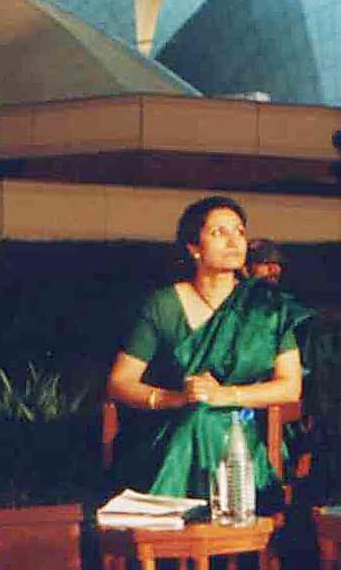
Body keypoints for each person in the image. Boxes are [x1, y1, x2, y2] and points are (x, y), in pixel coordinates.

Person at [105, 195, 311, 501]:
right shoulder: (163, 305)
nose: (234, 241)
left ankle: (176, 525)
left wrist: (224, 396)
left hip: (249, 429)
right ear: (193, 248)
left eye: (239, 231)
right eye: (219, 233)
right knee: (196, 417)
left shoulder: (266, 306)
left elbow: (290, 387)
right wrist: (175, 399)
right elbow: (120, 383)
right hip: (172, 429)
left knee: (203, 417)